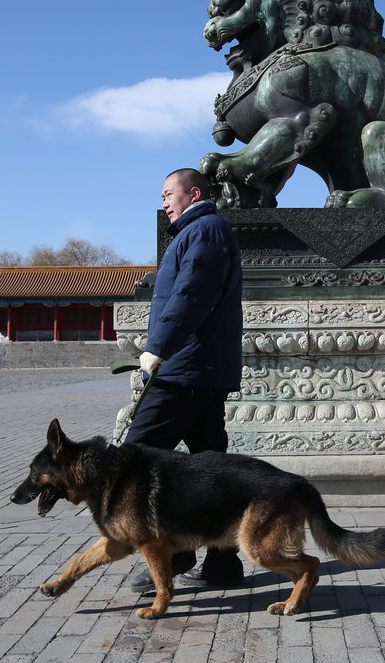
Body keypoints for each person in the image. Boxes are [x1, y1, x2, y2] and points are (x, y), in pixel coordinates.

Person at [126, 167, 244, 593]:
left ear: (194, 194)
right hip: (200, 368)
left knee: (135, 457)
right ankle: (223, 561)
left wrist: (159, 346)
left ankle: (175, 553)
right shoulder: (198, 232)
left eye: (167, 194)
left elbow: (192, 294)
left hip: (185, 369)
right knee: (211, 470)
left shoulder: (204, 230)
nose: (163, 203)